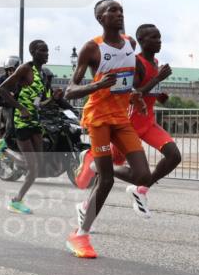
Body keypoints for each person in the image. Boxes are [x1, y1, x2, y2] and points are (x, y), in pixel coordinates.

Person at [64, 0, 152, 258]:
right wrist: (97, 85)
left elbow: (127, 80)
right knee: (107, 181)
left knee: (143, 176)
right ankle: (80, 235)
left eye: (121, 10)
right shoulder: (92, 48)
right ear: (100, 18)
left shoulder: (130, 44)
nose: (118, 14)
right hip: (98, 119)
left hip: (121, 118)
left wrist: (136, 94)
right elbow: (70, 90)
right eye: (112, 11)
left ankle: (92, 171)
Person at [76, 23, 182, 190]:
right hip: (130, 123)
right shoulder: (135, 62)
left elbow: (148, 91)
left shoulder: (155, 62)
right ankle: (91, 164)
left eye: (160, 37)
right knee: (107, 169)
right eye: (154, 37)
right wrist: (157, 79)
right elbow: (132, 95)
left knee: (174, 156)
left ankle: (142, 189)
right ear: (141, 41)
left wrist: (160, 95)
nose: (159, 41)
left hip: (148, 123)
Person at [0, 41, 61, 214]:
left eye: (47, 50)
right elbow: (2, 89)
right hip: (22, 122)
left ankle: (17, 199)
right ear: (33, 52)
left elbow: (42, 103)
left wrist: (54, 98)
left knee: (37, 165)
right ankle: (16, 200)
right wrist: (21, 109)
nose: (46, 53)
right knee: (32, 167)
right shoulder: (25, 69)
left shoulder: (43, 74)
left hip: (35, 121)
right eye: (42, 50)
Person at [0, 56, 19, 145]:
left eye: (13, 70)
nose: (11, 72)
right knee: (8, 132)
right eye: (9, 70)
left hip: (18, 110)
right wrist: (4, 95)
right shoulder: (0, 79)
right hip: (6, 110)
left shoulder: (21, 81)